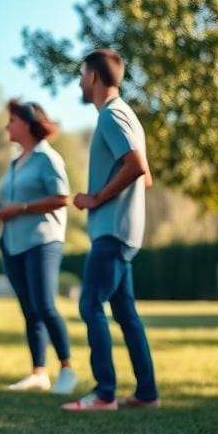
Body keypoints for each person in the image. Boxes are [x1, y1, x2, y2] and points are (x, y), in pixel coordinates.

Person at [61, 48, 159, 411]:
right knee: (126, 314)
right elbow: (145, 177)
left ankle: (104, 394)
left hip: (112, 233)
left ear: (93, 77)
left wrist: (96, 197)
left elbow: (135, 167)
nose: (80, 81)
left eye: (82, 74)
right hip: (124, 230)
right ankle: (147, 393)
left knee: (90, 304)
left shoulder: (110, 117)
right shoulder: (126, 115)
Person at [0, 99, 76, 394]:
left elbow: (61, 198)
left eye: (12, 121)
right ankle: (38, 373)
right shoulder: (15, 161)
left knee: (45, 304)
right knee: (29, 309)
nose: (8, 126)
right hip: (13, 243)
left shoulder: (47, 158)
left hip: (43, 241)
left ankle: (67, 370)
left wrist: (21, 208)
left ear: (28, 124)